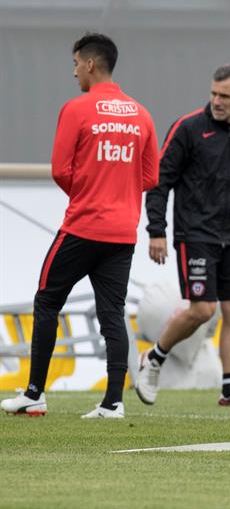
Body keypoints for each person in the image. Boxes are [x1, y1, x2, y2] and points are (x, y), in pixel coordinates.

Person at [0, 33, 159, 418]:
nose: (74, 73)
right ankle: (113, 402)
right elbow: (151, 176)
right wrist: (118, 191)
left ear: (90, 64)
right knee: (113, 314)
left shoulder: (77, 108)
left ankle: (35, 392)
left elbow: (60, 169)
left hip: (83, 226)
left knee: (47, 302)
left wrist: (90, 191)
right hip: (123, 232)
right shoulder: (141, 113)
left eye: (75, 65)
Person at [136, 64, 230, 407]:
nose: (216, 100)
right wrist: (157, 231)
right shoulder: (188, 129)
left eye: (225, 96)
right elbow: (158, 181)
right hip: (195, 234)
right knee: (202, 310)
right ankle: (153, 358)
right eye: (213, 93)